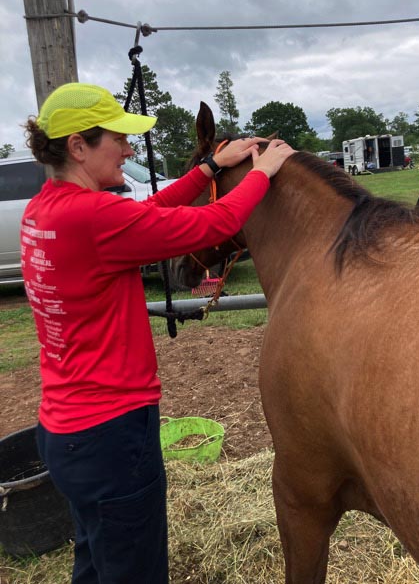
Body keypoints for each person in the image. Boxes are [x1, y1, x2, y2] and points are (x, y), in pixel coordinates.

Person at [21, 82, 295, 584]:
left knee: (95, 562)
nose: (129, 149)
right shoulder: (95, 216)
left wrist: (210, 167)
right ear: (79, 146)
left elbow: (146, 215)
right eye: (118, 140)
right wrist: (261, 173)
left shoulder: (45, 209)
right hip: (113, 434)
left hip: (65, 432)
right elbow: (220, 221)